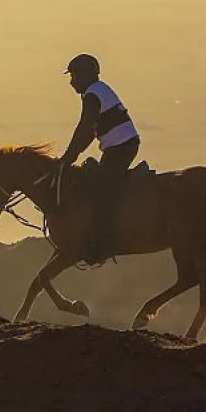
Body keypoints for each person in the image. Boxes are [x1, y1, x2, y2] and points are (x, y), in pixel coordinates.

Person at [56, 54, 141, 264]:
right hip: (119, 147)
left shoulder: (93, 95)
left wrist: (68, 158)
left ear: (87, 75)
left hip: (120, 147)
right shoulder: (98, 90)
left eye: (75, 76)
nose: (72, 82)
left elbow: (84, 130)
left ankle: (103, 243)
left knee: (99, 192)